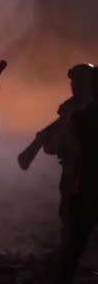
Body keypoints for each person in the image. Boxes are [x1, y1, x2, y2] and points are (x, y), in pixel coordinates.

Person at [53, 66, 98, 284]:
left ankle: (64, 283)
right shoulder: (79, 115)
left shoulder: (80, 117)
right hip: (84, 183)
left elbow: (57, 143)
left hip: (87, 186)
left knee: (75, 239)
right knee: (73, 235)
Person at [42, 63, 94, 244]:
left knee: (70, 217)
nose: (72, 86)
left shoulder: (75, 114)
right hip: (78, 172)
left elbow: (53, 146)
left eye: (76, 82)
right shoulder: (72, 111)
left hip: (76, 172)